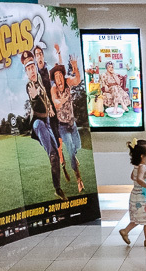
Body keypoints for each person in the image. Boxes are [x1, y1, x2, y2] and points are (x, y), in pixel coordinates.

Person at [22, 54, 68, 198]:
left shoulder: (40, 81)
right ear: (26, 73)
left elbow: (46, 96)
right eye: (28, 69)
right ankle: (58, 188)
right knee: (53, 154)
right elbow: (34, 101)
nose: (31, 70)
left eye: (32, 67)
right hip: (38, 123)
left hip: (47, 121)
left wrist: (50, 109)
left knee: (56, 153)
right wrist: (35, 97)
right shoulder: (30, 86)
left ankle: (57, 187)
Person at [49, 64, 85, 194]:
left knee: (78, 146)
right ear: (54, 79)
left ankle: (74, 155)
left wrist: (76, 68)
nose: (58, 78)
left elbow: (77, 80)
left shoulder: (68, 82)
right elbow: (56, 103)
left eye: (60, 75)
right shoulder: (54, 89)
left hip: (72, 124)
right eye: (56, 76)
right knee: (70, 151)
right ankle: (79, 179)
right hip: (63, 126)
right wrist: (62, 100)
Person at [120, 139, 146, 247]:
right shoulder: (142, 167)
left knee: (139, 217)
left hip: (135, 195)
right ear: (142, 156)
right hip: (143, 197)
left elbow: (132, 177)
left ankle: (125, 231)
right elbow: (139, 179)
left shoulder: (137, 166)